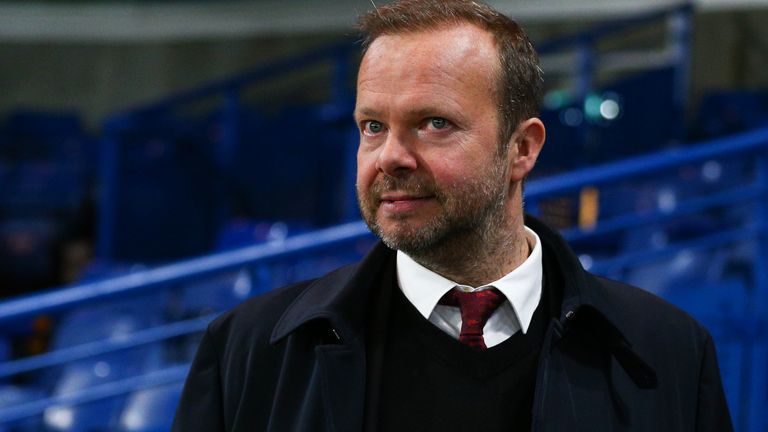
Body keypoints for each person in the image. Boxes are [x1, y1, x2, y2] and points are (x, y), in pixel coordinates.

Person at [172, 1, 733, 430]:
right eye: (373, 126)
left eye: (434, 123)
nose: (391, 156)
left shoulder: (670, 351)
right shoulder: (247, 352)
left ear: (522, 149)